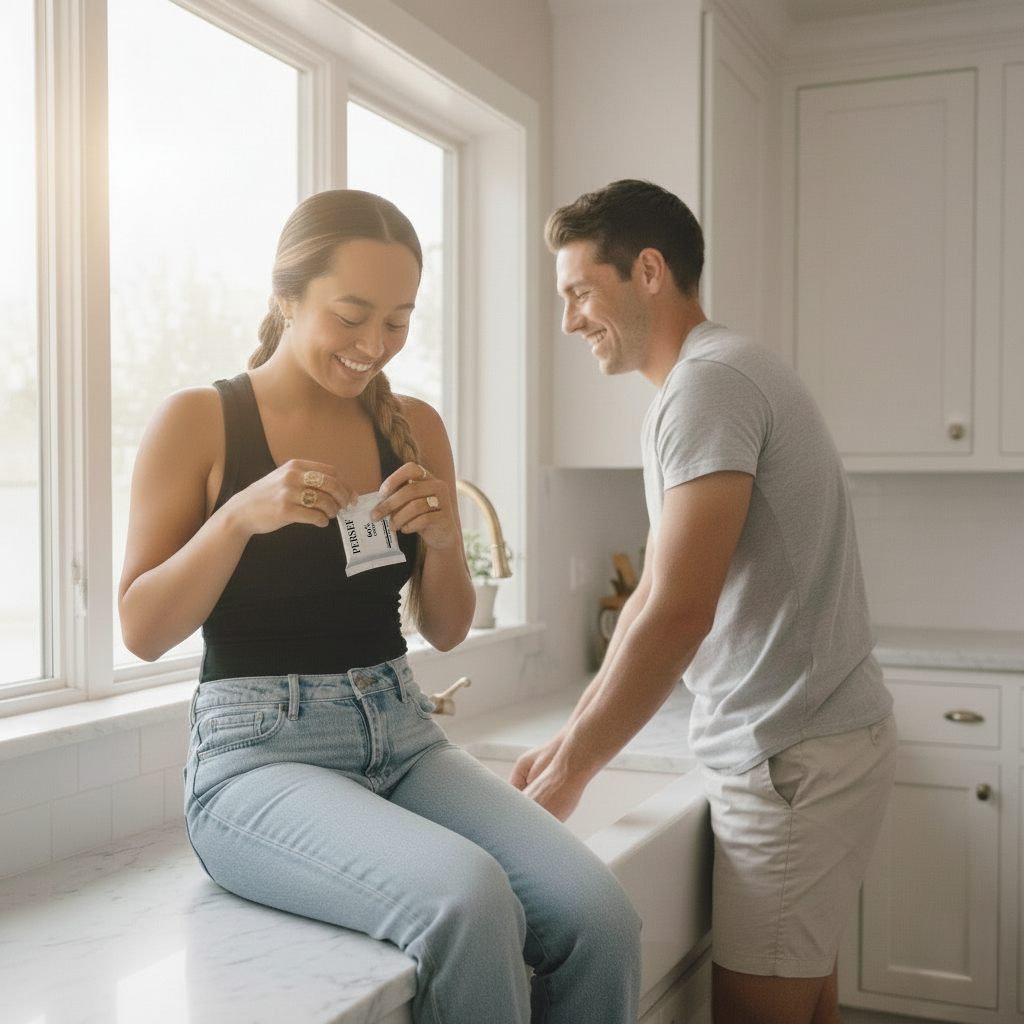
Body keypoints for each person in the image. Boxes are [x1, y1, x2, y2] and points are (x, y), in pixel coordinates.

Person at [118, 189, 641, 1024]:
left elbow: (445, 627)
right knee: (468, 901)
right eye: (352, 315)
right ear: (287, 298)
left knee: (601, 916)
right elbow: (141, 630)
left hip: (401, 734)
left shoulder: (415, 426)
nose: (374, 345)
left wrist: (441, 539)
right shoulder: (201, 421)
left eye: (396, 321)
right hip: (256, 761)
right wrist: (240, 516)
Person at [511, 179, 897, 1024]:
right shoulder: (716, 373)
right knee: (806, 1001)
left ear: (647, 270)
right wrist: (572, 733)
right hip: (814, 743)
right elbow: (653, 590)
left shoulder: (705, 388)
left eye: (579, 291)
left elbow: (682, 611)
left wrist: (575, 770)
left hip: (790, 759)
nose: (569, 319)